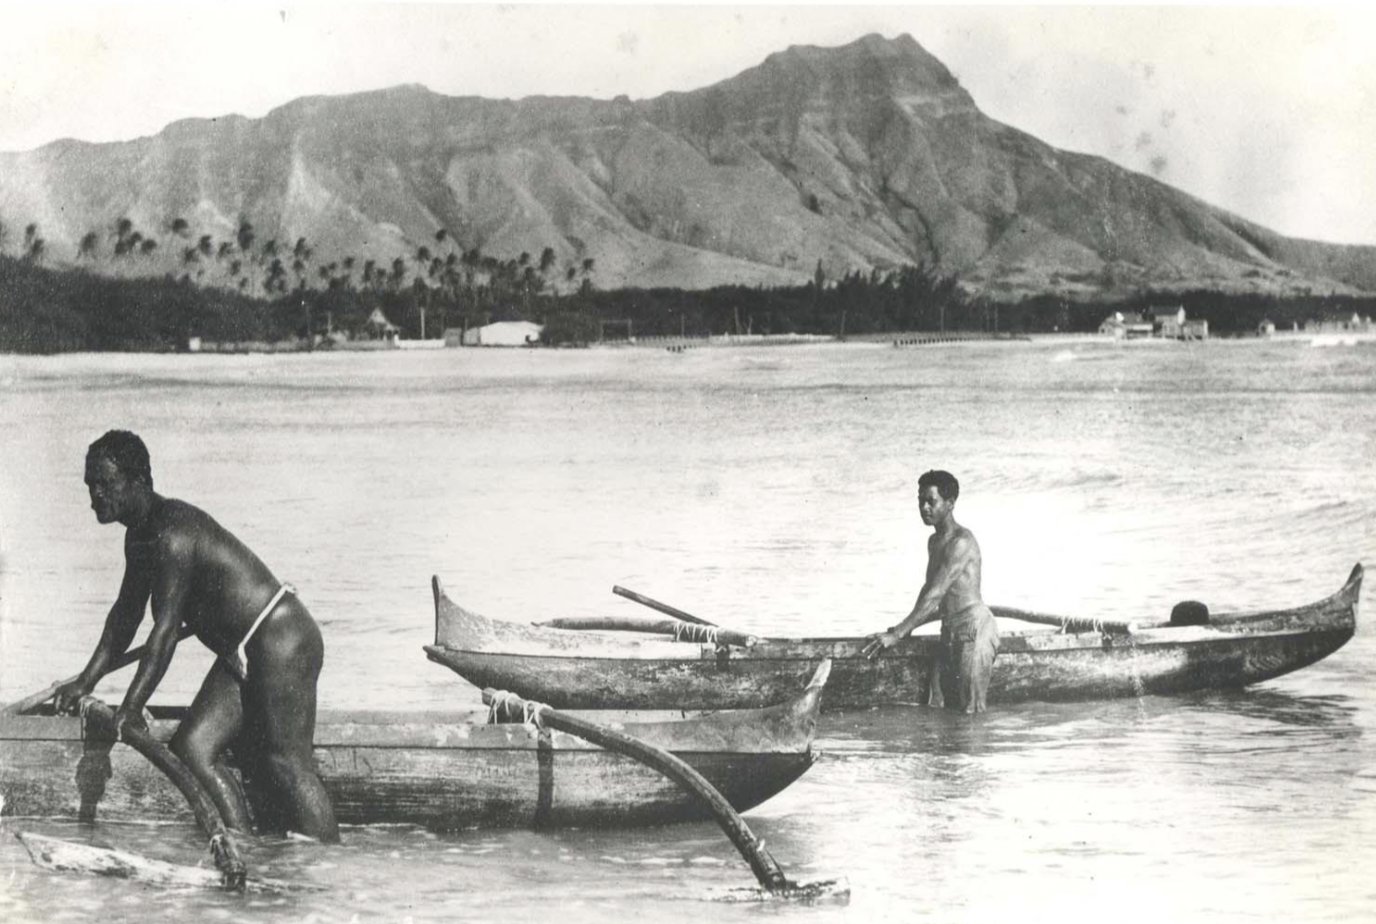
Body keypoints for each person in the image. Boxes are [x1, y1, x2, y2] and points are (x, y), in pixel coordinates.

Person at [53, 430, 339, 842]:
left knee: (286, 764)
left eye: (105, 484)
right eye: (90, 485)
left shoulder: (173, 534)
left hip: (282, 639)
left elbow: (164, 632)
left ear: (140, 482)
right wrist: (84, 682)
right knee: (193, 748)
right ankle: (242, 844)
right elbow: (124, 619)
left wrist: (132, 708)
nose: (94, 496)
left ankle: (334, 863)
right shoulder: (138, 537)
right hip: (243, 652)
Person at [861, 470, 1000, 714]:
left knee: (972, 712)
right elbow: (927, 589)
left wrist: (898, 634)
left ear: (950, 504)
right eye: (920, 501)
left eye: (931, 501)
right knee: (951, 711)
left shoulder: (961, 542)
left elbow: (936, 594)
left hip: (974, 629)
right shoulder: (934, 542)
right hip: (950, 630)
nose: (924, 507)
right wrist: (905, 631)